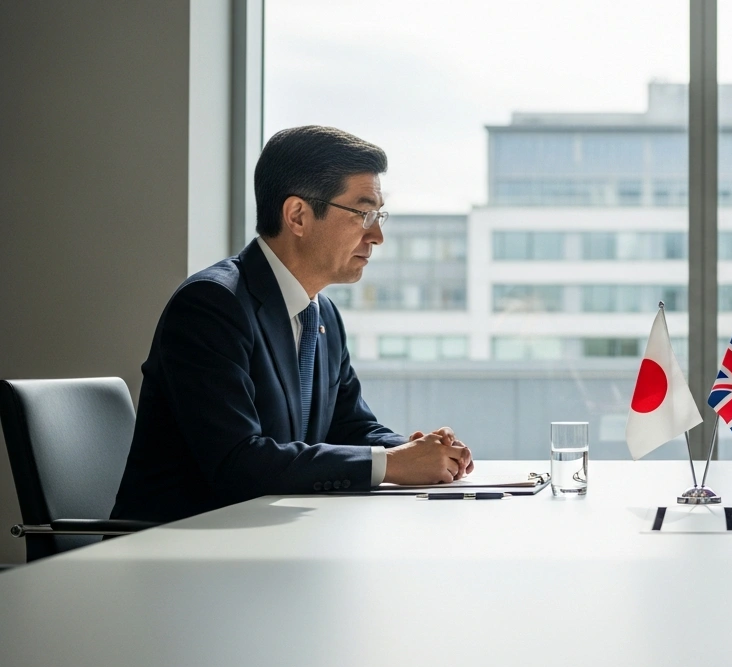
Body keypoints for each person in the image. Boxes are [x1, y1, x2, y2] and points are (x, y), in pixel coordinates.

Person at [112, 126, 472, 523]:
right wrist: (392, 463)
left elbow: (349, 426)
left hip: (264, 542)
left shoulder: (323, 314)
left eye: (379, 215)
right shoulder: (211, 306)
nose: (377, 235)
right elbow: (238, 463)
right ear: (298, 216)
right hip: (178, 551)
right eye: (363, 213)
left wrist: (417, 451)